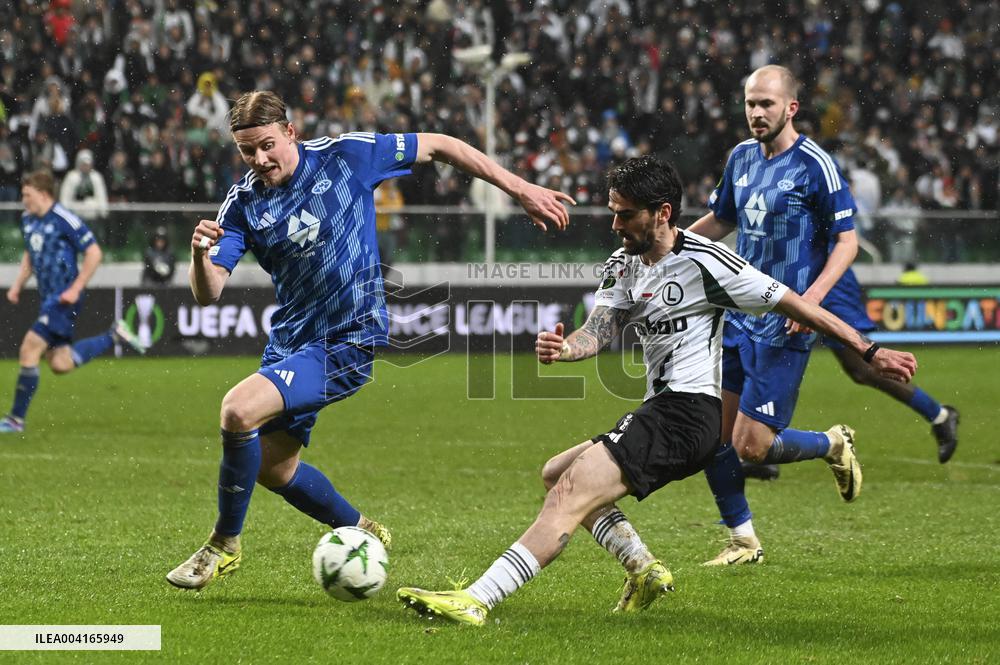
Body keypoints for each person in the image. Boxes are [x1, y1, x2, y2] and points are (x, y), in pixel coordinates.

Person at [396, 156, 917, 625]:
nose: (616, 225)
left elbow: (799, 305)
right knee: (556, 470)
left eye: (625, 215)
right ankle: (642, 569)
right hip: (663, 409)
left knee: (570, 490)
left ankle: (478, 600)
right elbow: (601, 328)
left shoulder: (710, 263)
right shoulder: (623, 263)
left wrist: (871, 351)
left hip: (690, 415)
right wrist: (566, 349)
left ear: (662, 212)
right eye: (613, 212)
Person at [165, 90, 574, 590]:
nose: (260, 159)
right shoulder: (244, 202)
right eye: (248, 151)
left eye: (267, 145)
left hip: (348, 339)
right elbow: (209, 293)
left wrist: (519, 189)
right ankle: (360, 529)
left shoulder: (348, 155)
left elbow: (441, 145)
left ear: (290, 132)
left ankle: (222, 545)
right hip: (292, 342)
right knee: (274, 468)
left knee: (236, 409)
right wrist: (198, 256)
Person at [686, 65, 862, 565]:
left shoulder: (815, 165)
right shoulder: (740, 157)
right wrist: (668, 251)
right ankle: (742, 539)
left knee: (753, 448)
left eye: (766, 104)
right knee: (713, 437)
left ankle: (830, 443)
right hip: (737, 314)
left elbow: (846, 242)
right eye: (750, 103)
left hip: (786, 319)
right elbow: (722, 219)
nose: (756, 112)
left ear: (791, 108)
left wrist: (811, 303)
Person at [743, 265, 959, 481]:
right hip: (791, 275)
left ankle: (759, 446)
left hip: (823, 281)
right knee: (751, 345)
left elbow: (846, 241)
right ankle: (756, 447)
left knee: (860, 368)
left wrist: (814, 294)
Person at [0, 171, 147, 434]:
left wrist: (76, 288)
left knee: (28, 349)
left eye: (27, 195)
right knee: (60, 363)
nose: (23, 200)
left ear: (43, 194)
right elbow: (29, 254)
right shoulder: (27, 220)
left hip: (64, 298)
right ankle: (113, 335)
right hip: (48, 299)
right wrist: (18, 285)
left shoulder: (64, 219)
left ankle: (15, 420)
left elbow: (94, 252)